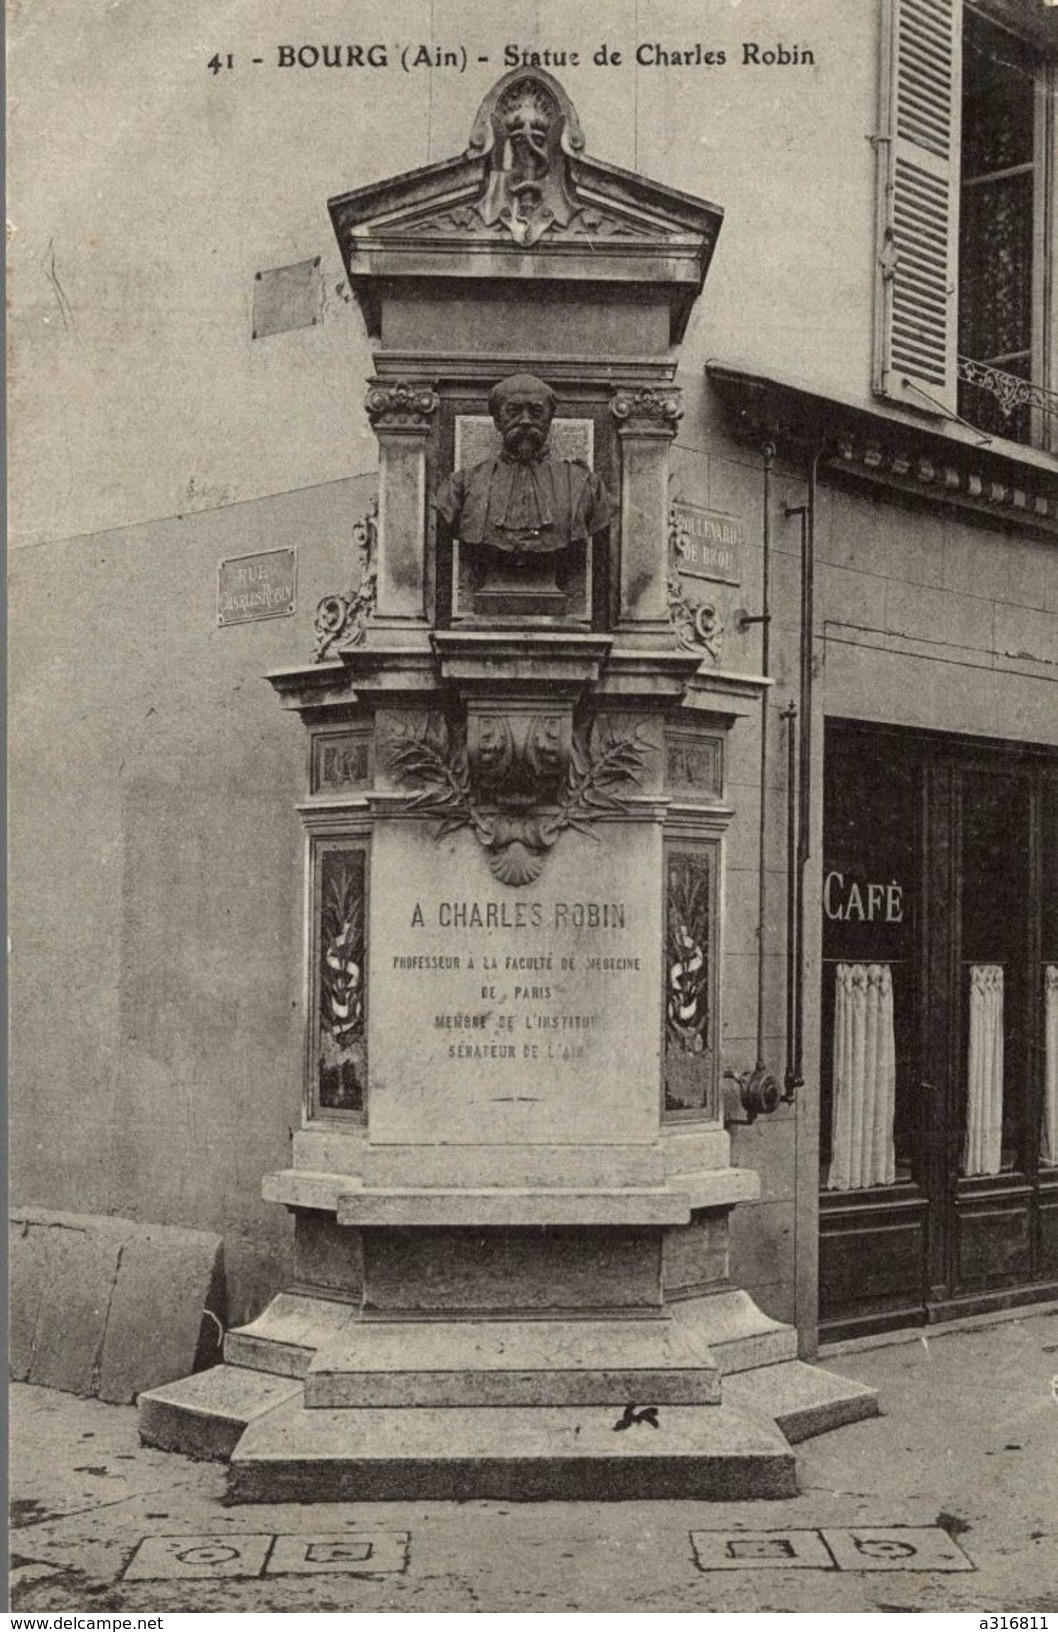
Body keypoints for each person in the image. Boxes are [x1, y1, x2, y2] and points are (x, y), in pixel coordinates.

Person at [431, 373, 613, 562]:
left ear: (549, 420)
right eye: (513, 411)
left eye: (536, 412)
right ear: (497, 421)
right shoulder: (461, 486)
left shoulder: (582, 485)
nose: (525, 420)